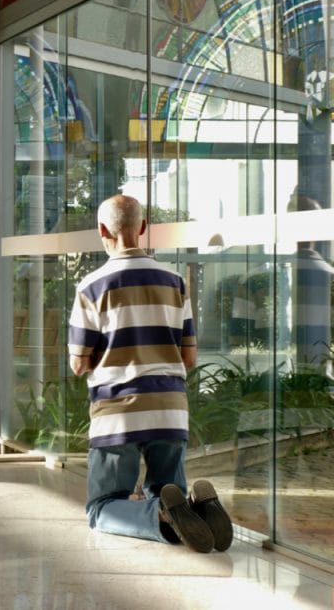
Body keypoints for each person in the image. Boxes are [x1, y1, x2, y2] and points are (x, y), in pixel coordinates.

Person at [68, 194, 232, 553]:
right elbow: (188, 357)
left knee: (101, 506)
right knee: (166, 487)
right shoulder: (175, 281)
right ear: (143, 228)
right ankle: (196, 508)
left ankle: (159, 515)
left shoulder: (91, 286)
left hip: (118, 413)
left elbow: (79, 363)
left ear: (102, 230)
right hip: (170, 407)